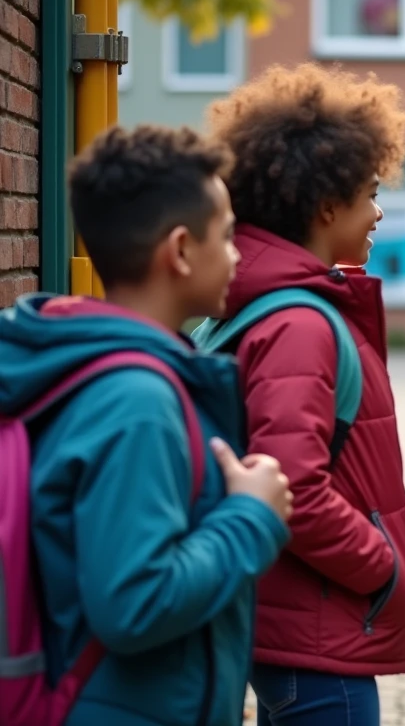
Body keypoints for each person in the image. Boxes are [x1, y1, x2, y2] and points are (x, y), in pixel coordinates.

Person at [0, 125, 293, 724]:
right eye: (229, 236)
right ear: (181, 250)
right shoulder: (137, 401)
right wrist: (252, 515)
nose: (238, 254)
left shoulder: (82, 363)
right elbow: (134, 601)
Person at [204, 64, 405, 726]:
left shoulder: (267, 308)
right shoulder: (299, 324)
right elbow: (289, 480)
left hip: (297, 626)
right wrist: (382, 567)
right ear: (327, 205)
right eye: (370, 193)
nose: (378, 211)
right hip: (318, 639)